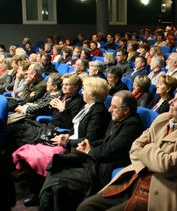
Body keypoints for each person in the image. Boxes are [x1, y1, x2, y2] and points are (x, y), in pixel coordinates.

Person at [77, 84, 177, 211]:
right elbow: (135, 147)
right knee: (87, 206)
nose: (170, 102)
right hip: (138, 175)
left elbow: (168, 166)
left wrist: (148, 148)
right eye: (173, 97)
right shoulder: (162, 119)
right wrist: (152, 160)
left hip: (165, 189)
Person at [13, 77, 110, 207]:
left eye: (85, 89)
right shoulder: (88, 107)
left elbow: (90, 140)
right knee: (32, 148)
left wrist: (67, 140)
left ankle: (39, 194)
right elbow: (74, 128)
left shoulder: (98, 111)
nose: (82, 92)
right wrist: (66, 135)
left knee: (38, 154)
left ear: (92, 93)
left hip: (76, 149)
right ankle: (37, 192)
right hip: (68, 140)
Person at [39, 90, 144, 210]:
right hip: (95, 161)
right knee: (55, 172)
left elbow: (110, 150)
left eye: (114, 107)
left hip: (102, 169)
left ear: (126, 110)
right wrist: (87, 145)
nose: (109, 109)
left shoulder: (132, 125)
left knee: (58, 180)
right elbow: (105, 140)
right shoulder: (118, 118)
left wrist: (89, 151)